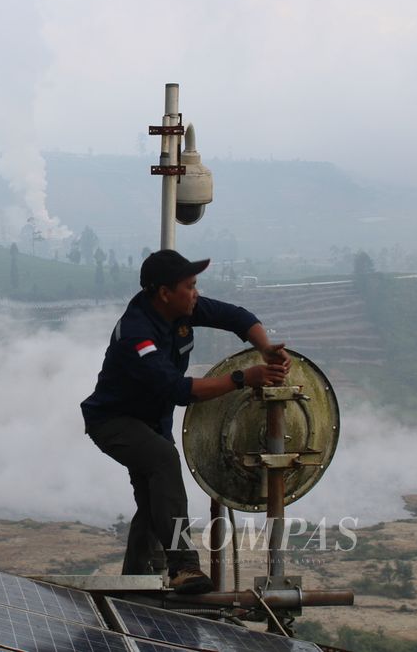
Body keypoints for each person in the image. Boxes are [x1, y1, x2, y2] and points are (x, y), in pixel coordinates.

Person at [81, 249, 290, 593]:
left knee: (153, 504)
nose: (196, 294)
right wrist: (242, 378)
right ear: (165, 293)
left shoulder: (182, 308)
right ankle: (184, 567)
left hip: (153, 423)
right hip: (114, 422)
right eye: (189, 286)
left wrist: (265, 347)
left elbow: (237, 317)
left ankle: (134, 581)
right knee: (163, 462)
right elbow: (177, 389)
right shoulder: (138, 334)